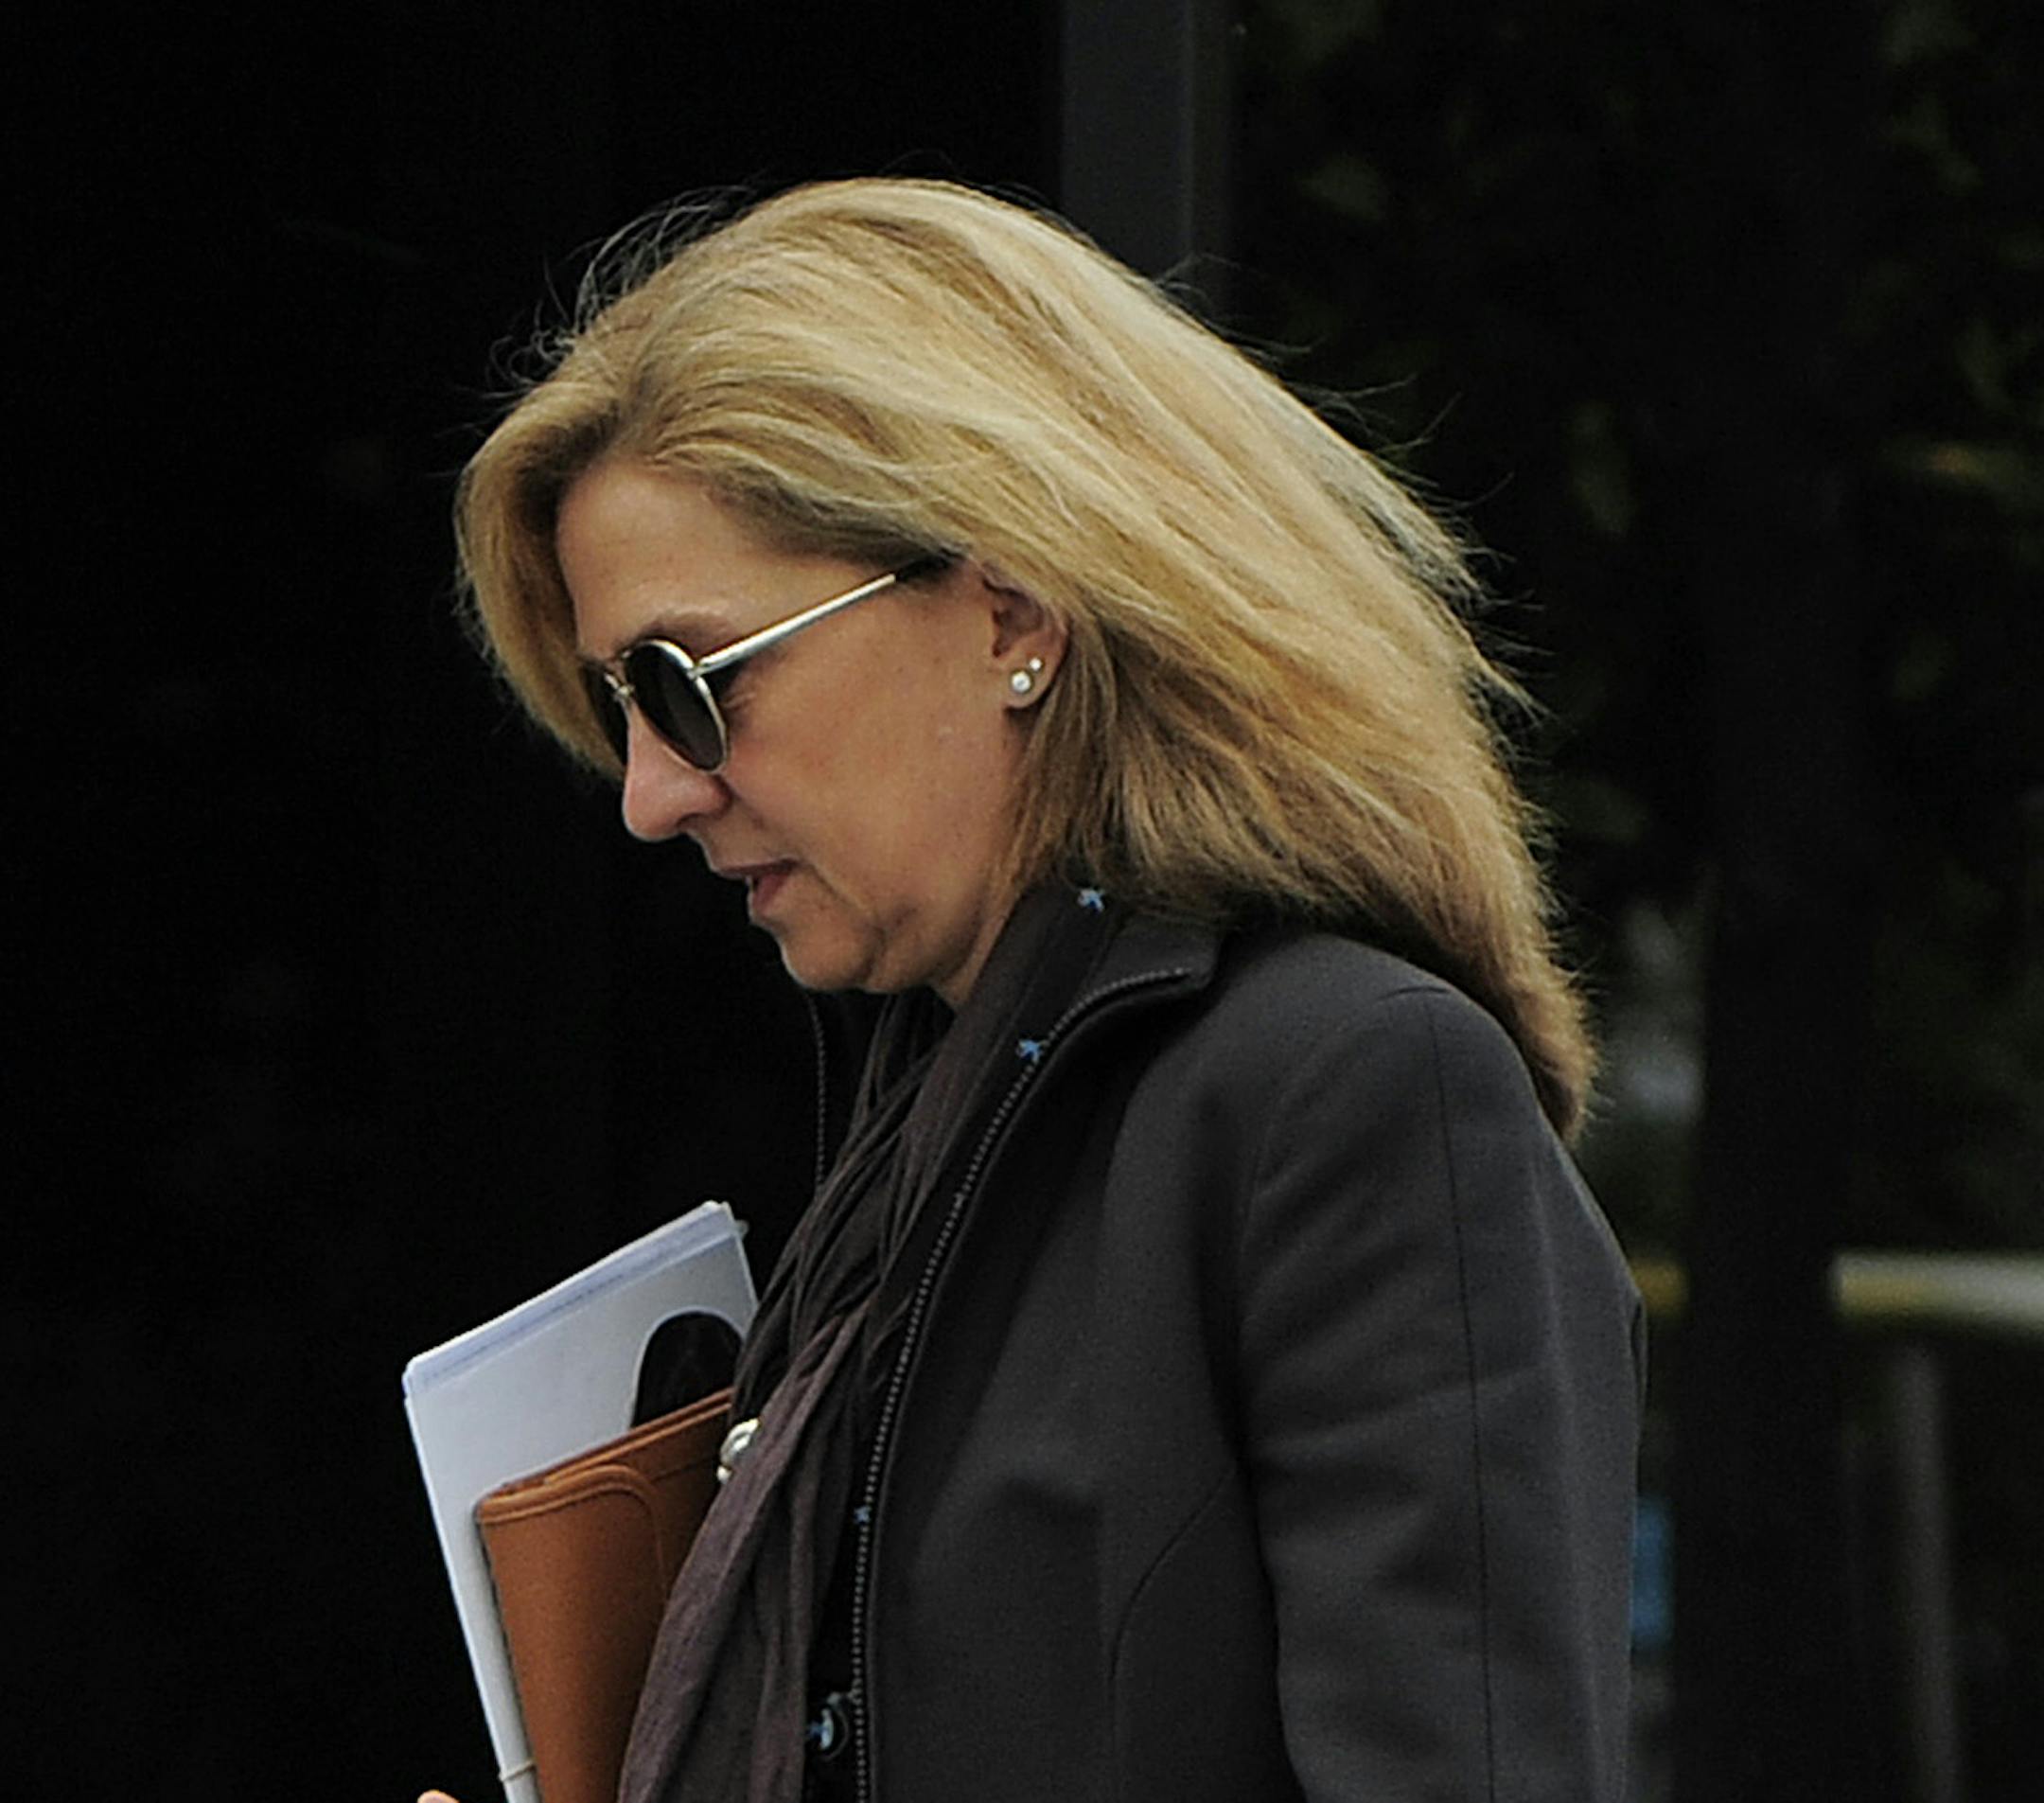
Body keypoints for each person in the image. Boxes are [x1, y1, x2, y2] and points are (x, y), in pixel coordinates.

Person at [451, 177, 1642, 1803]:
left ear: (1009, 616)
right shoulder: (933, 1125)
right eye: (617, 710)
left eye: (685, 685)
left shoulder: (1350, 1091)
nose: (651, 793)